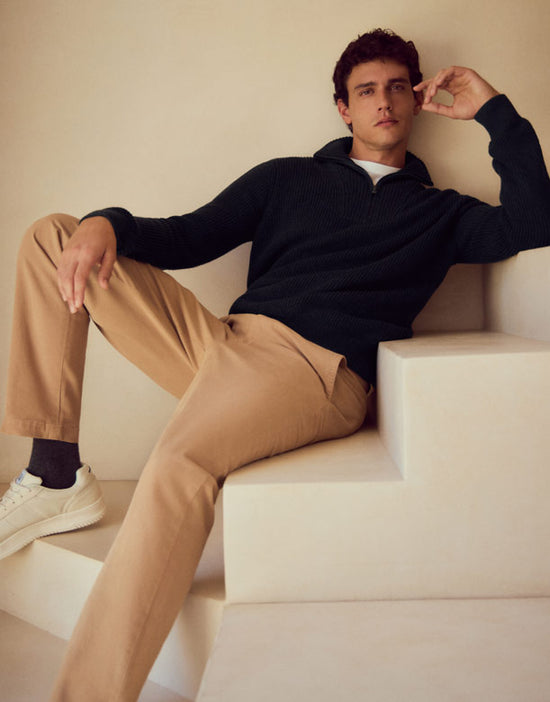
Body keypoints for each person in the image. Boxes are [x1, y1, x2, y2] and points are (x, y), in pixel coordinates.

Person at [1, 27, 549, 701]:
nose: (383, 101)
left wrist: (492, 110)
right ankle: (54, 468)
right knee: (53, 237)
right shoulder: (288, 177)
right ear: (343, 109)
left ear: (415, 100)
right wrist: (104, 222)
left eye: (397, 88)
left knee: (178, 464)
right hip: (225, 342)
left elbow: (534, 223)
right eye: (366, 91)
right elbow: (187, 235)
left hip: (312, 370)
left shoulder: (441, 213)